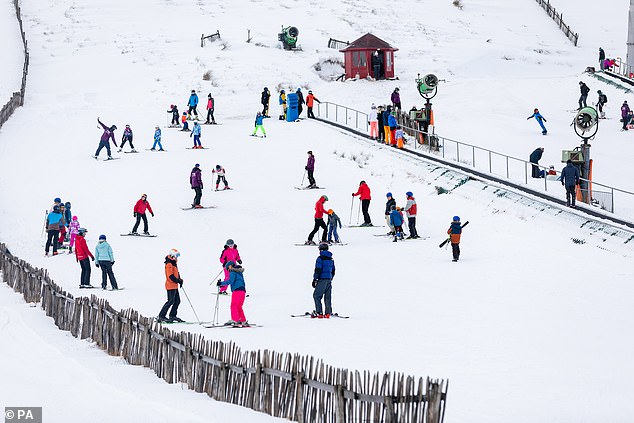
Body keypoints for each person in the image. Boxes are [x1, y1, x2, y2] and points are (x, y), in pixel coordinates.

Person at [217, 261, 248, 326]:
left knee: (233, 305)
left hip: (237, 290)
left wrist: (221, 283)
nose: (228, 270)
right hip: (243, 290)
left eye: (228, 268)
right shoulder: (239, 272)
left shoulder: (233, 272)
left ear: (230, 266)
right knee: (239, 306)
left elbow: (230, 281)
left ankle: (235, 320)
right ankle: (243, 320)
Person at [158, 249, 184, 323]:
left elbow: (176, 273)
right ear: (172, 256)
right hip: (170, 285)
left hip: (174, 286)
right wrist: (177, 280)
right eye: (176, 256)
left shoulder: (174, 263)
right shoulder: (169, 264)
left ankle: (172, 315)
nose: (177, 258)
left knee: (177, 301)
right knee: (170, 301)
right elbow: (170, 276)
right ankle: (161, 316)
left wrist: (180, 280)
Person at [311, 242, 335, 318]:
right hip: (329, 279)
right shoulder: (331, 259)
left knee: (316, 296)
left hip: (322, 279)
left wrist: (315, 279)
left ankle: (319, 312)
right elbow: (333, 270)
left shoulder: (320, 258)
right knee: (327, 296)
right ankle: (328, 313)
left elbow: (318, 269)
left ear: (321, 250)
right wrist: (330, 277)